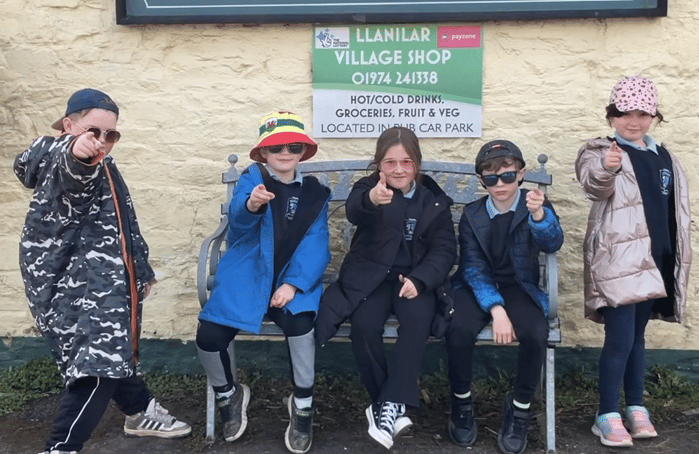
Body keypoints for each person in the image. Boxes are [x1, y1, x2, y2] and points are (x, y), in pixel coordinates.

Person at [13, 88, 192, 454]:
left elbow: (123, 223)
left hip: (105, 278)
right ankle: (61, 447)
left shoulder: (106, 165)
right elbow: (71, 169)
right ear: (69, 125)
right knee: (96, 369)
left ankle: (139, 411)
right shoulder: (61, 158)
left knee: (113, 352)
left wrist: (140, 269)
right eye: (94, 131)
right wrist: (77, 153)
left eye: (112, 135)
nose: (103, 142)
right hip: (76, 285)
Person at [195, 112, 330, 453]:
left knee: (300, 326)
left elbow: (317, 244)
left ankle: (302, 404)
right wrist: (252, 204)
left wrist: (295, 285)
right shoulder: (252, 179)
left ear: (303, 152)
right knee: (208, 335)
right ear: (263, 154)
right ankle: (228, 395)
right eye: (275, 147)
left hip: (290, 280)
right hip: (248, 274)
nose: (285, 153)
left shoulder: (315, 193)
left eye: (293, 146)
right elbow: (238, 228)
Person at [314, 127, 456, 450]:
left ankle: (386, 405)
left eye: (406, 162)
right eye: (390, 162)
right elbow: (354, 209)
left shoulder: (432, 201)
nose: (398, 169)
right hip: (372, 278)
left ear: (416, 164)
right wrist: (372, 200)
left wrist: (420, 280)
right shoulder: (370, 189)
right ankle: (387, 403)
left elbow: (445, 250)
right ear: (379, 165)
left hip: (414, 281)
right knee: (363, 326)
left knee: (417, 321)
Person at [575, 76, 692, 448]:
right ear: (612, 116)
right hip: (620, 262)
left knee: (638, 339)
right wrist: (607, 168)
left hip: (655, 261)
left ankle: (636, 406)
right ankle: (607, 413)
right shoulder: (600, 151)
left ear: (654, 116)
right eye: (625, 113)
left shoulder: (664, 157)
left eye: (643, 113)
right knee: (620, 339)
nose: (634, 121)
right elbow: (593, 184)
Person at [444, 140, 564, 454]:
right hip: (476, 287)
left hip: (519, 287)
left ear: (521, 175)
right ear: (481, 180)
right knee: (458, 330)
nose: (500, 185)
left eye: (508, 176)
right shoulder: (472, 214)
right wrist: (496, 309)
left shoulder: (535, 205)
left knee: (536, 333)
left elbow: (552, 244)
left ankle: (520, 407)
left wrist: (539, 216)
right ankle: (461, 404)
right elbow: (472, 267)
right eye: (491, 178)